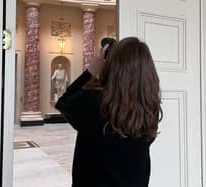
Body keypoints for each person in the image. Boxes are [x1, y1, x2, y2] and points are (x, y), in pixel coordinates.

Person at [55, 37, 163, 187]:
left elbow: (64, 103)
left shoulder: (94, 103)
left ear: (114, 67)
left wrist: (90, 72)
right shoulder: (150, 109)